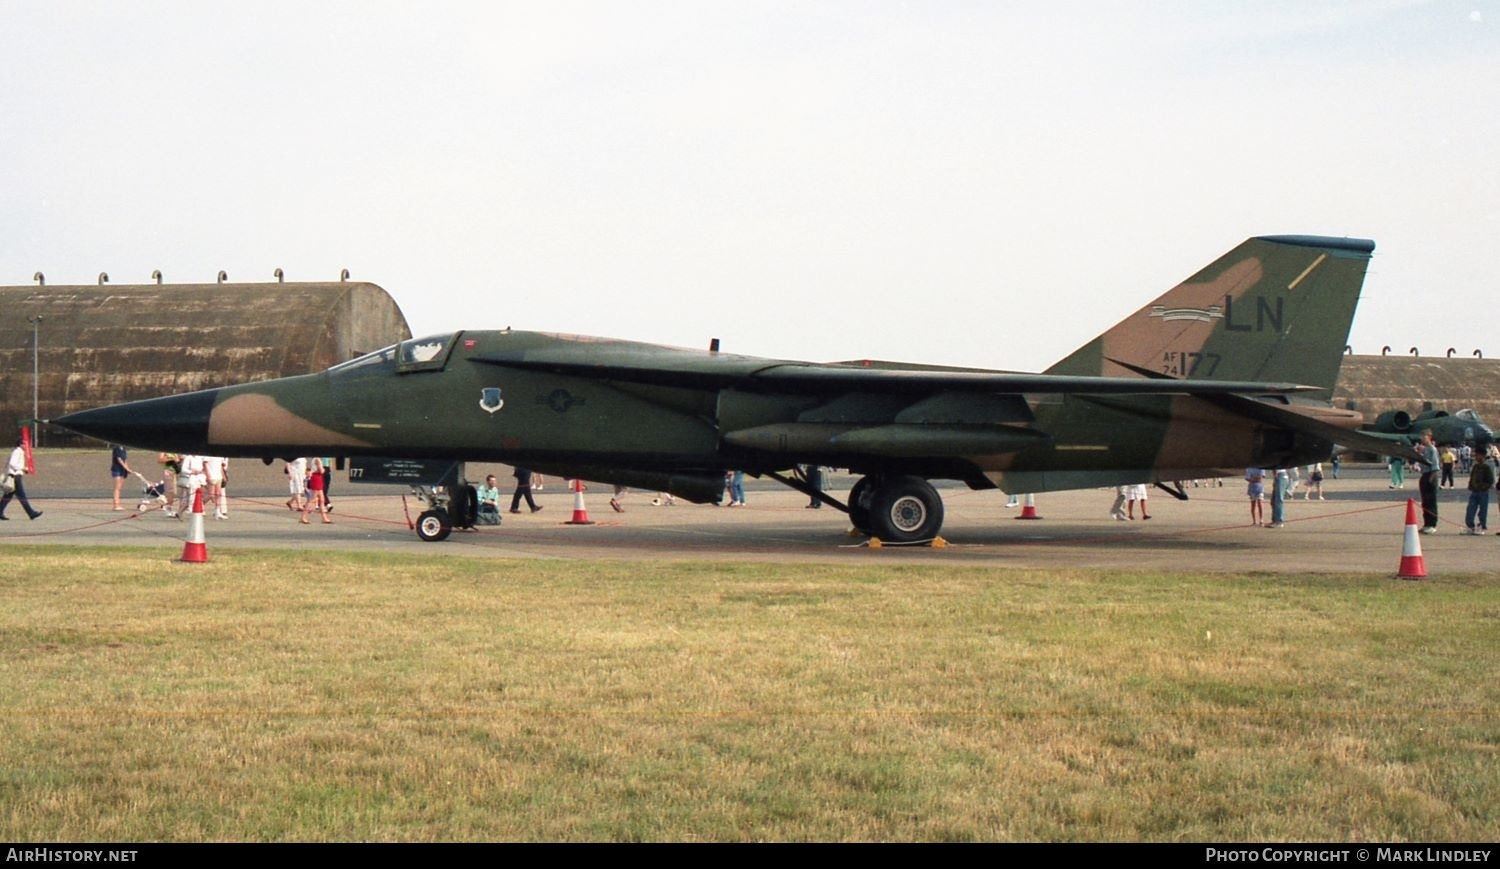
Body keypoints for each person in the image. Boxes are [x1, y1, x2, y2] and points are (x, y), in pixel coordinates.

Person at [1, 436, 42, 521]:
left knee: (8, 496)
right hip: (15, 476)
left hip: (14, 475)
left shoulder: (18, 452)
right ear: (20, 444)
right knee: (22, 496)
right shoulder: (17, 452)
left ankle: (0, 511)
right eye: (25, 443)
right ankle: (31, 513)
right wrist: (23, 468)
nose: (26, 445)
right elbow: (13, 464)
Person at [1463, 444, 1495, 534]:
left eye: (1477, 455)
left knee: (1483, 510)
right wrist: (1471, 486)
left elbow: (1490, 480)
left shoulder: (1487, 467)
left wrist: (1483, 487)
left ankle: (1482, 526)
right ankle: (1470, 526)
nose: (1476, 457)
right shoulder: (1476, 466)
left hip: (1483, 492)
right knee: (1470, 509)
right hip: (1474, 491)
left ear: (1483, 456)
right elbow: (1472, 477)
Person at [1414, 430, 1440, 533]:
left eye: (1424, 437)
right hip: (1424, 474)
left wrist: (1430, 479)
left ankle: (1432, 524)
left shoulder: (1432, 450)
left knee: (1431, 501)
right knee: (1425, 502)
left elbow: (1435, 466)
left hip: (1431, 475)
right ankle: (1426, 523)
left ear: (1429, 437)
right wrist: (1418, 453)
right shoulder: (1424, 450)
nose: (1422, 439)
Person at [300, 456, 332, 524]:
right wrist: (323, 469)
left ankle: (324, 518)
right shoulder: (317, 459)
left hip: (318, 478)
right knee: (312, 499)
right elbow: (321, 471)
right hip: (316, 478)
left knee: (322, 499)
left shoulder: (316, 459)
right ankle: (303, 517)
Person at [110, 444, 132, 511]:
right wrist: (126, 468)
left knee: (119, 488)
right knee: (116, 488)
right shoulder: (116, 448)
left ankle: (118, 504)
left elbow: (125, 460)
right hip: (116, 469)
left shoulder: (124, 449)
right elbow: (119, 459)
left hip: (122, 471)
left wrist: (127, 469)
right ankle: (116, 505)